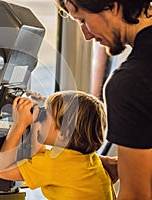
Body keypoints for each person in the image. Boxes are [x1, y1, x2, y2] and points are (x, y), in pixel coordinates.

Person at [55, 0, 152, 199]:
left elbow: (137, 196)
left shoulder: (129, 84)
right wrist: (123, 165)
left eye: (82, 20)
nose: (86, 35)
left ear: (112, 6)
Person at [0, 90, 116, 199]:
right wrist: (34, 121)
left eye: (45, 116)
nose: (41, 119)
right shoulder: (88, 159)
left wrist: (19, 124)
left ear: (63, 133)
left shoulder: (56, 164)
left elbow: (3, 170)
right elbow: (39, 156)